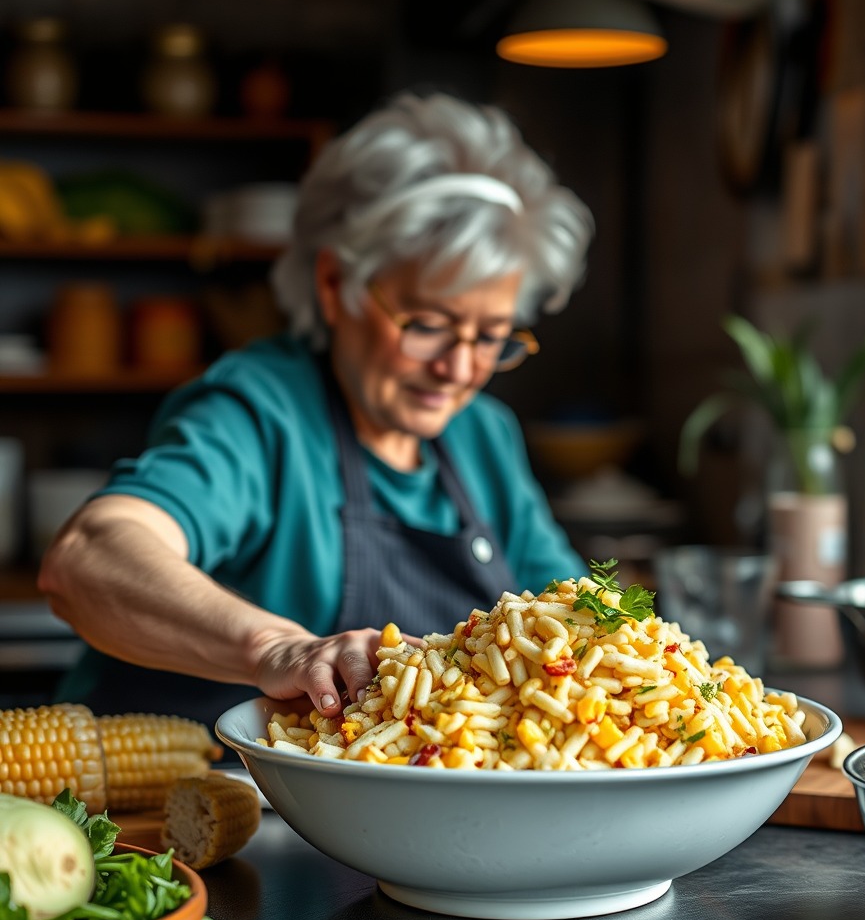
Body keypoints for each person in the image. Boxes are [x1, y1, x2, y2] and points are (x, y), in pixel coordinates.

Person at [39, 90, 596, 731]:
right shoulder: (261, 409)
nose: (460, 368)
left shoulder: (483, 437)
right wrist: (281, 648)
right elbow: (86, 557)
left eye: (491, 336)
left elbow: (578, 620)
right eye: (428, 325)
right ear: (336, 286)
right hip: (193, 804)